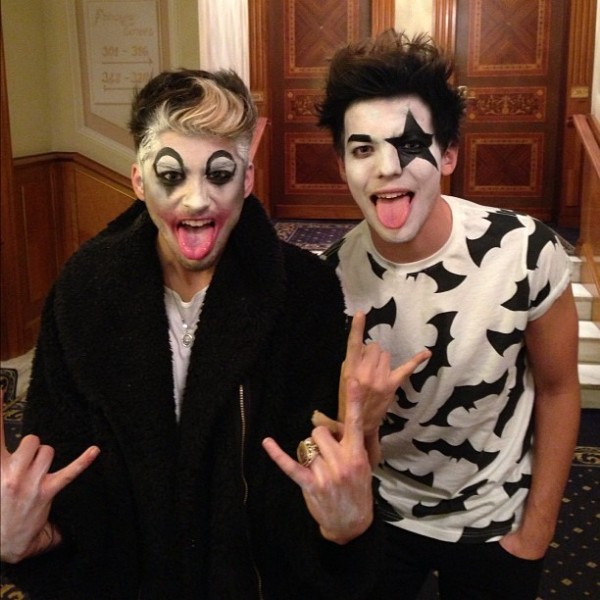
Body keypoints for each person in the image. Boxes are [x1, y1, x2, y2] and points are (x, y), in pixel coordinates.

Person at [0, 68, 428, 599]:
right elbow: (63, 464)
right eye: (171, 175)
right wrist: (30, 541)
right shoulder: (83, 291)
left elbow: (316, 463)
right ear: (138, 180)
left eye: (219, 174)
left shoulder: (305, 291)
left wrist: (345, 526)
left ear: (246, 180)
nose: (196, 200)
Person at [316, 30, 581, 599]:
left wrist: (537, 532)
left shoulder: (525, 252)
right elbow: (325, 435)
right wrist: (359, 422)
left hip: (497, 521)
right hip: (379, 518)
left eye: (411, 144)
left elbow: (559, 390)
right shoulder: (326, 280)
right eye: (362, 149)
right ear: (341, 164)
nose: (387, 167)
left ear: (449, 154)